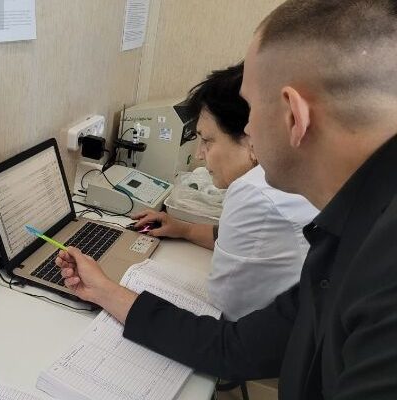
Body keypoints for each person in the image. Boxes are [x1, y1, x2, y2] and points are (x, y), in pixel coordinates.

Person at [56, 1, 397, 399]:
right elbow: (235, 349)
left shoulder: (382, 273)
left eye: (251, 109)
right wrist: (103, 290)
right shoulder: (348, 233)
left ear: (293, 116)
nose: (247, 127)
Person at [132, 62, 317, 321]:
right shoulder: (294, 172)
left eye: (207, 140)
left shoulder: (253, 191)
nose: (199, 154)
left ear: (251, 137)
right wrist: (184, 229)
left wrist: (105, 291)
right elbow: (234, 238)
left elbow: (222, 305)